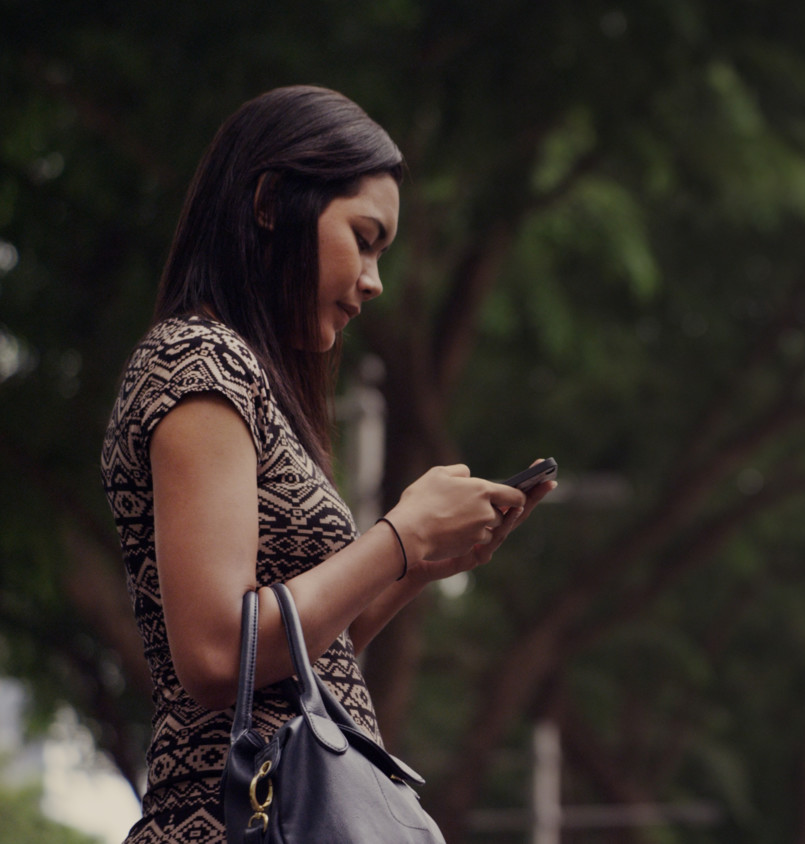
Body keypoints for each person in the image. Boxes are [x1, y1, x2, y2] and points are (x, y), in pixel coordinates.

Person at [100, 85, 553, 842]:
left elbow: (301, 660)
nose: (374, 280)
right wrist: (398, 537)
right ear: (273, 203)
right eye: (365, 238)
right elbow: (219, 654)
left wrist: (417, 567)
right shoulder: (198, 362)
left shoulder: (248, 381)